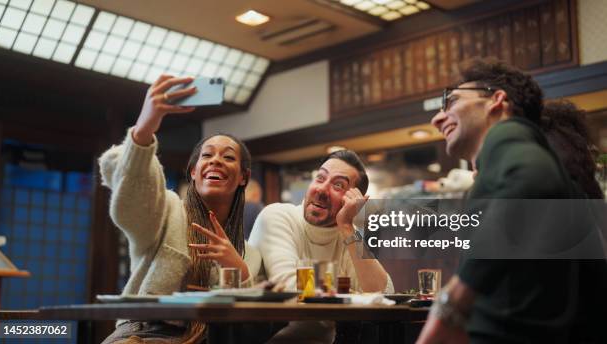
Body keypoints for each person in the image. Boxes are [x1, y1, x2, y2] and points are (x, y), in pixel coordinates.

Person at [418, 59, 607, 343]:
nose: (437, 118)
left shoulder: (508, 138)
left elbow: (532, 179)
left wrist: (454, 302)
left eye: (452, 100)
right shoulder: (518, 155)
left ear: (497, 100)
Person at [99, 75, 261, 343]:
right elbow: (131, 205)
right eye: (207, 156)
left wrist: (237, 270)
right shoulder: (168, 211)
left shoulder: (249, 254)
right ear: (194, 172)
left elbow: (248, 323)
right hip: (144, 335)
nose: (216, 161)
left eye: (228, 157)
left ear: (244, 176)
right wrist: (144, 129)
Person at [249, 149, 394, 343]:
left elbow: (385, 296)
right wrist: (352, 296)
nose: (321, 190)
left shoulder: (348, 234)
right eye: (320, 178)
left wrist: (346, 227)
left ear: (352, 201)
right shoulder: (277, 216)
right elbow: (291, 289)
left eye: (338, 185)